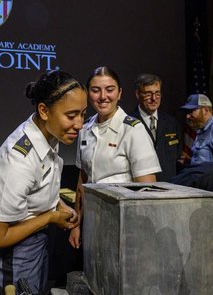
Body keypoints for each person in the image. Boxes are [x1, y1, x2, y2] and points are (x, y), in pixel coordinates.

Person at [0, 70, 87, 294]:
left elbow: (37, 189)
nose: (79, 124)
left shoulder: (49, 134)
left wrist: (57, 205)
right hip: (11, 260)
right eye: (71, 115)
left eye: (83, 114)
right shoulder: (18, 160)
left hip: (34, 249)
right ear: (44, 110)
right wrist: (50, 217)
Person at [68, 66, 161, 249]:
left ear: (119, 93)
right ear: (88, 93)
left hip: (126, 225)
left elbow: (148, 189)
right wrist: (77, 225)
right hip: (93, 223)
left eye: (110, 90)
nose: (103, 96)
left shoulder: (133, 129)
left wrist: (139, 233)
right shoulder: (85, 129)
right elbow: (83, 180)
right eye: (96, 90)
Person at [129, 73, 182, 181]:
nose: (154, 98)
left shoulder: (171, 122)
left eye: (157, 93)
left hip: (171, 187)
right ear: (138, 94)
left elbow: (177, 156)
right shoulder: (128, 123)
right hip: (142, 188)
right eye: (148, 94)